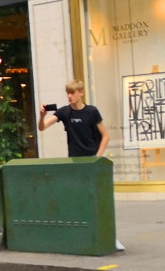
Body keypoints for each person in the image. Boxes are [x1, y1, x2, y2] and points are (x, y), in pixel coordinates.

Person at [38, 80, 123, 252]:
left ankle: (111, 238)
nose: (69, 96)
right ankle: (80, 238)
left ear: (81, 93)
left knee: (98, 202)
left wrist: (96, 159)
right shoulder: (64, 112)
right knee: (77, 202)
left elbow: (105, 136)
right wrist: (41, 116)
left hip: (92, 161)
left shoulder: (92, 112)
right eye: (68, 93)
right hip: (75, 164)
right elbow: (42, 128)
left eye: (73, 92)